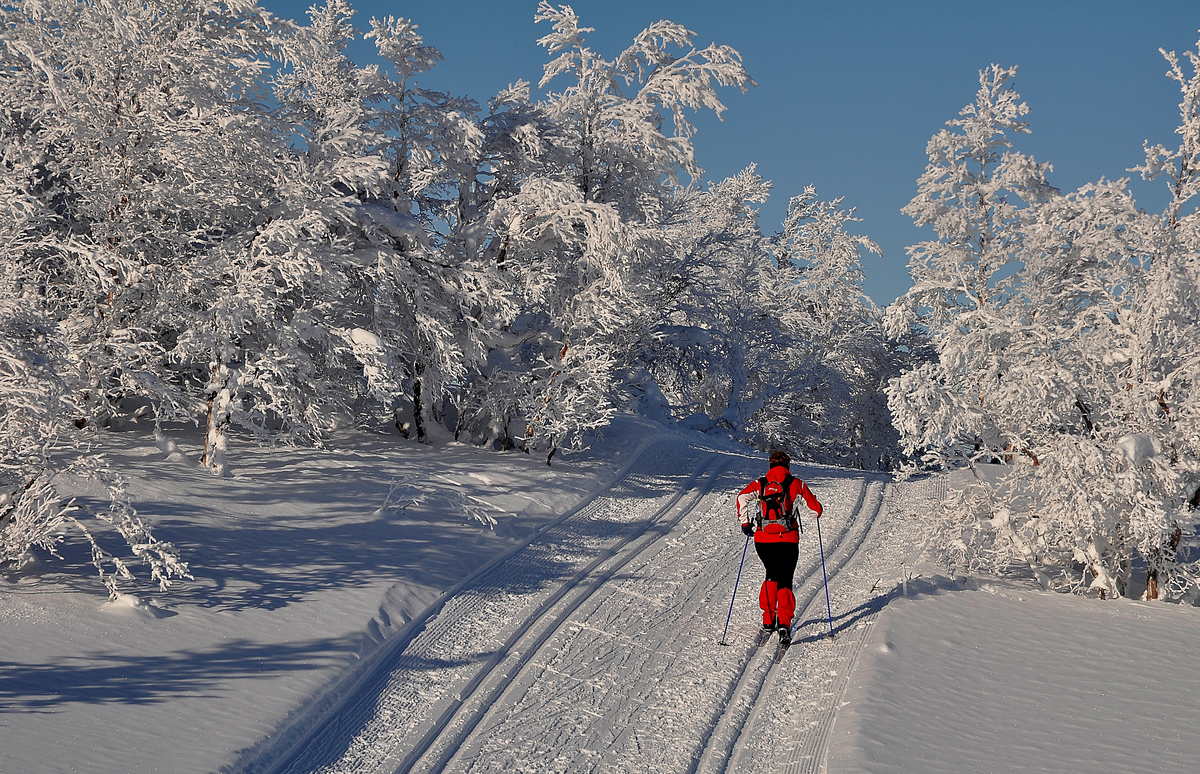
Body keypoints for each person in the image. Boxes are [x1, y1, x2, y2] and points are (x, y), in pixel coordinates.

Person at [735, 449, 822, 644]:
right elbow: (816, 510)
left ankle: (768, 620)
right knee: (785, 579)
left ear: (771, 466)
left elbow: (741, 498)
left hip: (763, 539)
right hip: (787, 539)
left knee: (771, 574)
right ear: (788, 466)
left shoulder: (761, 483)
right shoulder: (795, 483)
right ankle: (783, 623)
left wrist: (745, 523)